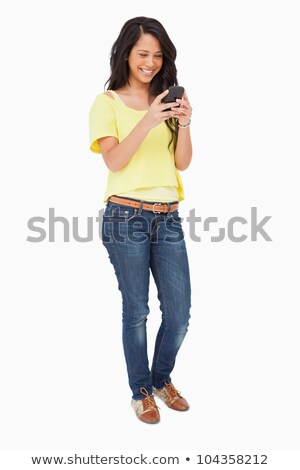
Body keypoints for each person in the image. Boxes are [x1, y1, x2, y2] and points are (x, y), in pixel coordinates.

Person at [89, 16, 193, 424]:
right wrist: (148, 119)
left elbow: (181, 162)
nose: (150, 62)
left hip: (168, 217)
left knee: (180, 313)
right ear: (126, 55)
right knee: (136, 310)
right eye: (142, 54)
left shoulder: (166, 101)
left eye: (157, 55)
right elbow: (114, 159)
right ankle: (141, 391)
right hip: (125, 216)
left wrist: (182, 121)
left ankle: (161, 379)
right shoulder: (108, 103)